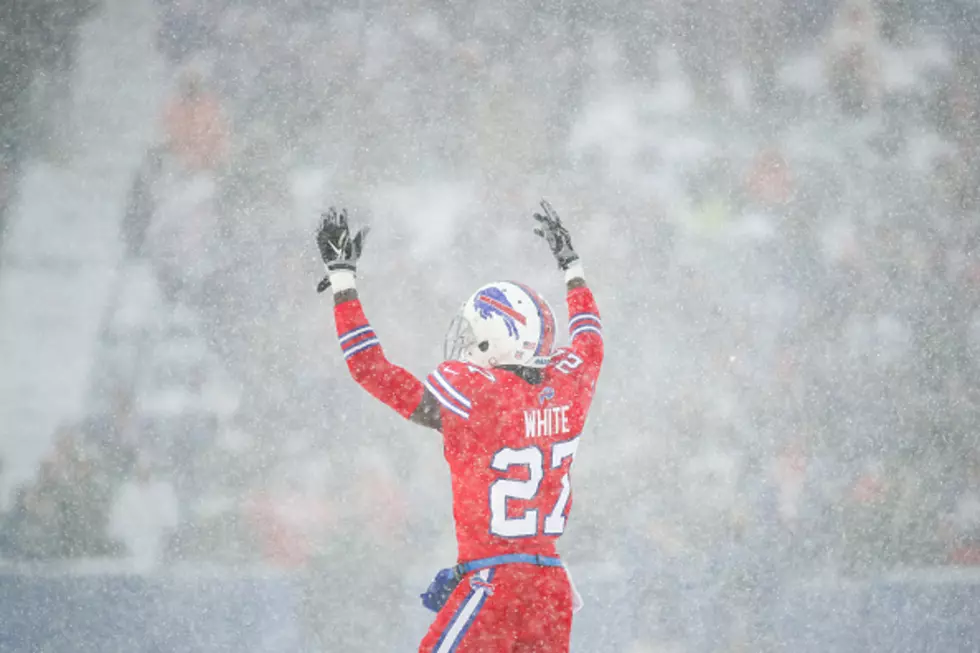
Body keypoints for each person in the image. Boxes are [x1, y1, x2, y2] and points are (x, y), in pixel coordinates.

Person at [314, 201, 604, 652]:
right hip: (551, 587)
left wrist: (343, 283)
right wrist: (572, 267)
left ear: (498, 336)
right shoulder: (568, 383)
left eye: (473, 334)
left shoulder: (476, 394)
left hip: (494, 581)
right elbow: (589, 335)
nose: (464, 344)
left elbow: (369, 368)